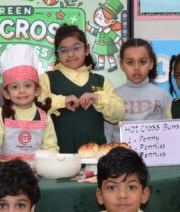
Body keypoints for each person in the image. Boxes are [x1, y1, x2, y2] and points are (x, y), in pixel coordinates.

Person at [38, 24, 124, 153]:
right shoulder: (46, 79)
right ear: (57, 55)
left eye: (76, 48)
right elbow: (36, 109)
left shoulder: (101, 81)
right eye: (63, 50)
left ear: (87, 49)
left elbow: (118, 115)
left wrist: (98, 98)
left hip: (95, 156)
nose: (70, 54)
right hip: (58, 156)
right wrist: (61, 101)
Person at [0, 44, 58, 163]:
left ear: (37, 90)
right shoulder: (2, 114)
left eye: (27, 85)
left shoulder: (44, 116)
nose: (22, 91)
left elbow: (51, 148)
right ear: (6, 93)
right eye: (15, 87)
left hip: (36, 171)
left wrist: (53, 166)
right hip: (8, 171)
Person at [104, 38, 171, 143]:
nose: (136, 68)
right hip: (120, 152)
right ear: (122, 65)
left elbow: (169, 133)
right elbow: (107, 134)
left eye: (142, 62)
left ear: (151, 64)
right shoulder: (113, 96)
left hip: (154, 151)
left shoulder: (163, 96)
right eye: (130, 62)